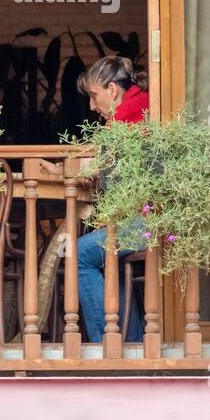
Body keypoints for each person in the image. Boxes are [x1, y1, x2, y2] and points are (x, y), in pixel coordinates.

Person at [75, 56, 150, 343]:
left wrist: (66, 168)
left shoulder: (129, 112)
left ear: (112, 90)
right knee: (103, 256)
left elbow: (97, 165)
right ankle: (129, 343)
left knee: (81, 254)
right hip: (147, 218)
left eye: (94, 96)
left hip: (149, 222)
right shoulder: (138, 103)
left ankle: (107, 344)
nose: (93, 106)